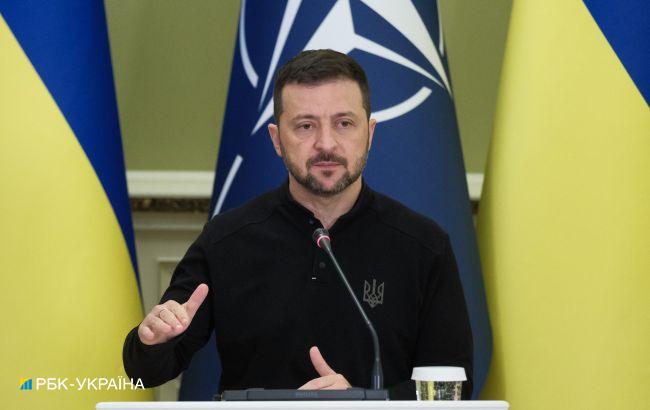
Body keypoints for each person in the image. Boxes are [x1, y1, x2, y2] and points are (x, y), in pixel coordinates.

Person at [123, 49, 473, 400]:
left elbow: (453, 386)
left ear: (370, 133)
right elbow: (144, 373)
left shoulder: (423, 244)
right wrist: (151, 342)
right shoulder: (226, 239)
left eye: (344, 123)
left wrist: (364, 402)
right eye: (306, 126)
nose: (326, 144)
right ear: (277, 140)